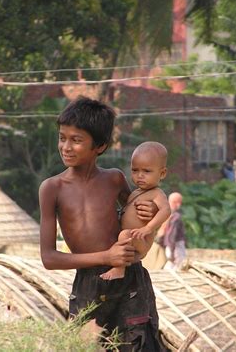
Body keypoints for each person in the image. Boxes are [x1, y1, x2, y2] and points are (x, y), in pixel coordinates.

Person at [39, 97, 165, 351]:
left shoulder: (114, 180)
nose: (66, 146)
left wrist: (150, 209)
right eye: (62, 137)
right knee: (87, 346)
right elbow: (49, 258)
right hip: (89, 285)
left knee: (141, 343)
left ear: (100, 145)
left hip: (131, 281)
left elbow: (137, 207)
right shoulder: (52, 189)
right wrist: (106, 256)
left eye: (76, 140)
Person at [100, 141, 171, 280]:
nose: (140, 175)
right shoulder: (135, 193)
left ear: (162, 173)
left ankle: (119, 270)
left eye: (146, 171)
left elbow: (166, 210)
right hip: (131, 239)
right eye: (135, 170)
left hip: (140, 238)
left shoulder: (156, 193)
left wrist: (148, 228)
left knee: (125, 235)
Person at [163, 192, 187, 270]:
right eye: (175, 202)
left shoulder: (167, 214)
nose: (178, 205)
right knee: (179, 265)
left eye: (179, 202)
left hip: (170, 245)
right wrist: (172, 249)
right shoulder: (175, 217)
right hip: (175, 246)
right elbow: (171, 234)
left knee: (171, 265)